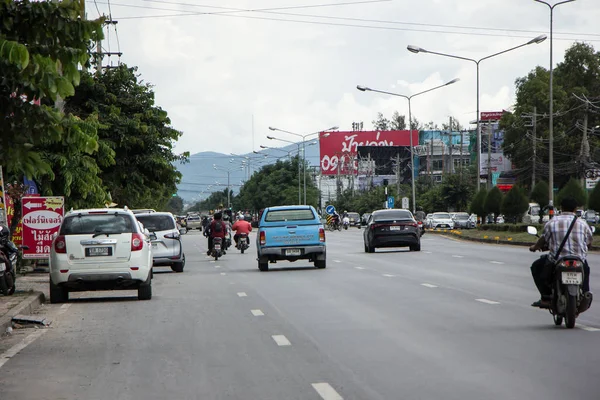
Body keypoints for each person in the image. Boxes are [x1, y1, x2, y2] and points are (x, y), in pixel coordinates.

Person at [529, 196, 593, 308]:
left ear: (561, 208)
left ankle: (545, 297)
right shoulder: (583, 224)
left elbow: (544, 239)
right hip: (579, 259)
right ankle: (586, 293)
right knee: (586, 270)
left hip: (557, 259)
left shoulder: (552, 222)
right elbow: (589, 243)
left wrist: (535, 247)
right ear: (575, 209)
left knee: (536, 266)